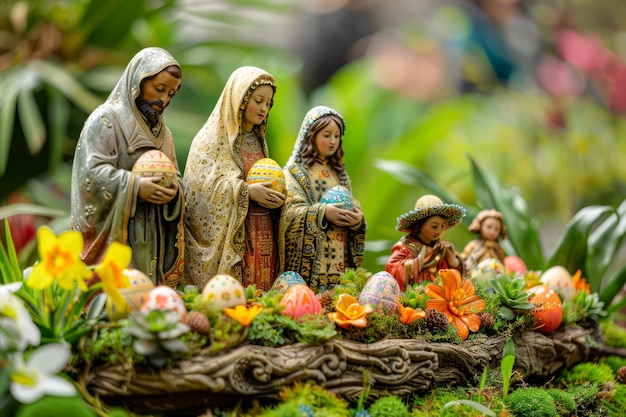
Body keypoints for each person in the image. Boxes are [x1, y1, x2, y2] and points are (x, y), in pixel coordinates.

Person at [71, 47, 185, 288]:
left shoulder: (164, 135)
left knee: (146, 292)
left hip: (152, 233)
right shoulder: (106, 121)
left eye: (171, 94)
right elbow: (90, 174)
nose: (163, 100)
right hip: (117, 232)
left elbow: (176, 175)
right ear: (138, 82)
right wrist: (135, 187)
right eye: (159, 89)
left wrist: (174, 192)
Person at [183, 66, 284, 291]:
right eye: (258, 100)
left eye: (268, 104)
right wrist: (246, 192)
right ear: (240, 98)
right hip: (234, 238)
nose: (264, 109)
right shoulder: (209, 140)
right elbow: (199, 191)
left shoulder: (258, 141)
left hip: (262, 230)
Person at [279, 106, 366, 293]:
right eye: (327, 135)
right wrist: (323, 212)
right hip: (313, 265)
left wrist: (358, 220)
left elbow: (351, 204)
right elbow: (288, 213)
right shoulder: (295, 173)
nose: (333, 141)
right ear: (311, 136)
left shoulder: (339, 175)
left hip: (338, 253)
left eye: (337, 136)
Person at [385, 194, 466, 291]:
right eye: (434, 226)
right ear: (420, 225)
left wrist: (454, 263)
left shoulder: (441, 248)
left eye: (442, 226)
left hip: (438, 296)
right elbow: (391, 270)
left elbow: (451, 277)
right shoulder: (405, 247)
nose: (439, 231)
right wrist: (419, 260)